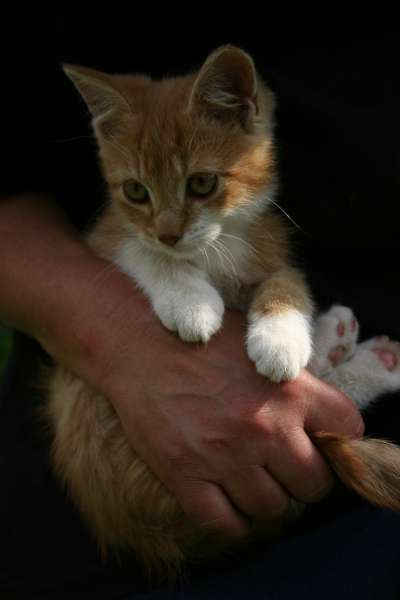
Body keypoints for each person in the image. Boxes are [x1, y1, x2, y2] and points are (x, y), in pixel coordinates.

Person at [1, 16, 399, 599]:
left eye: (200, 187)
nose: (165, 228)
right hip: (159, 512)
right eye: (137, 194)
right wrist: (118, 339)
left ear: (244, 111)